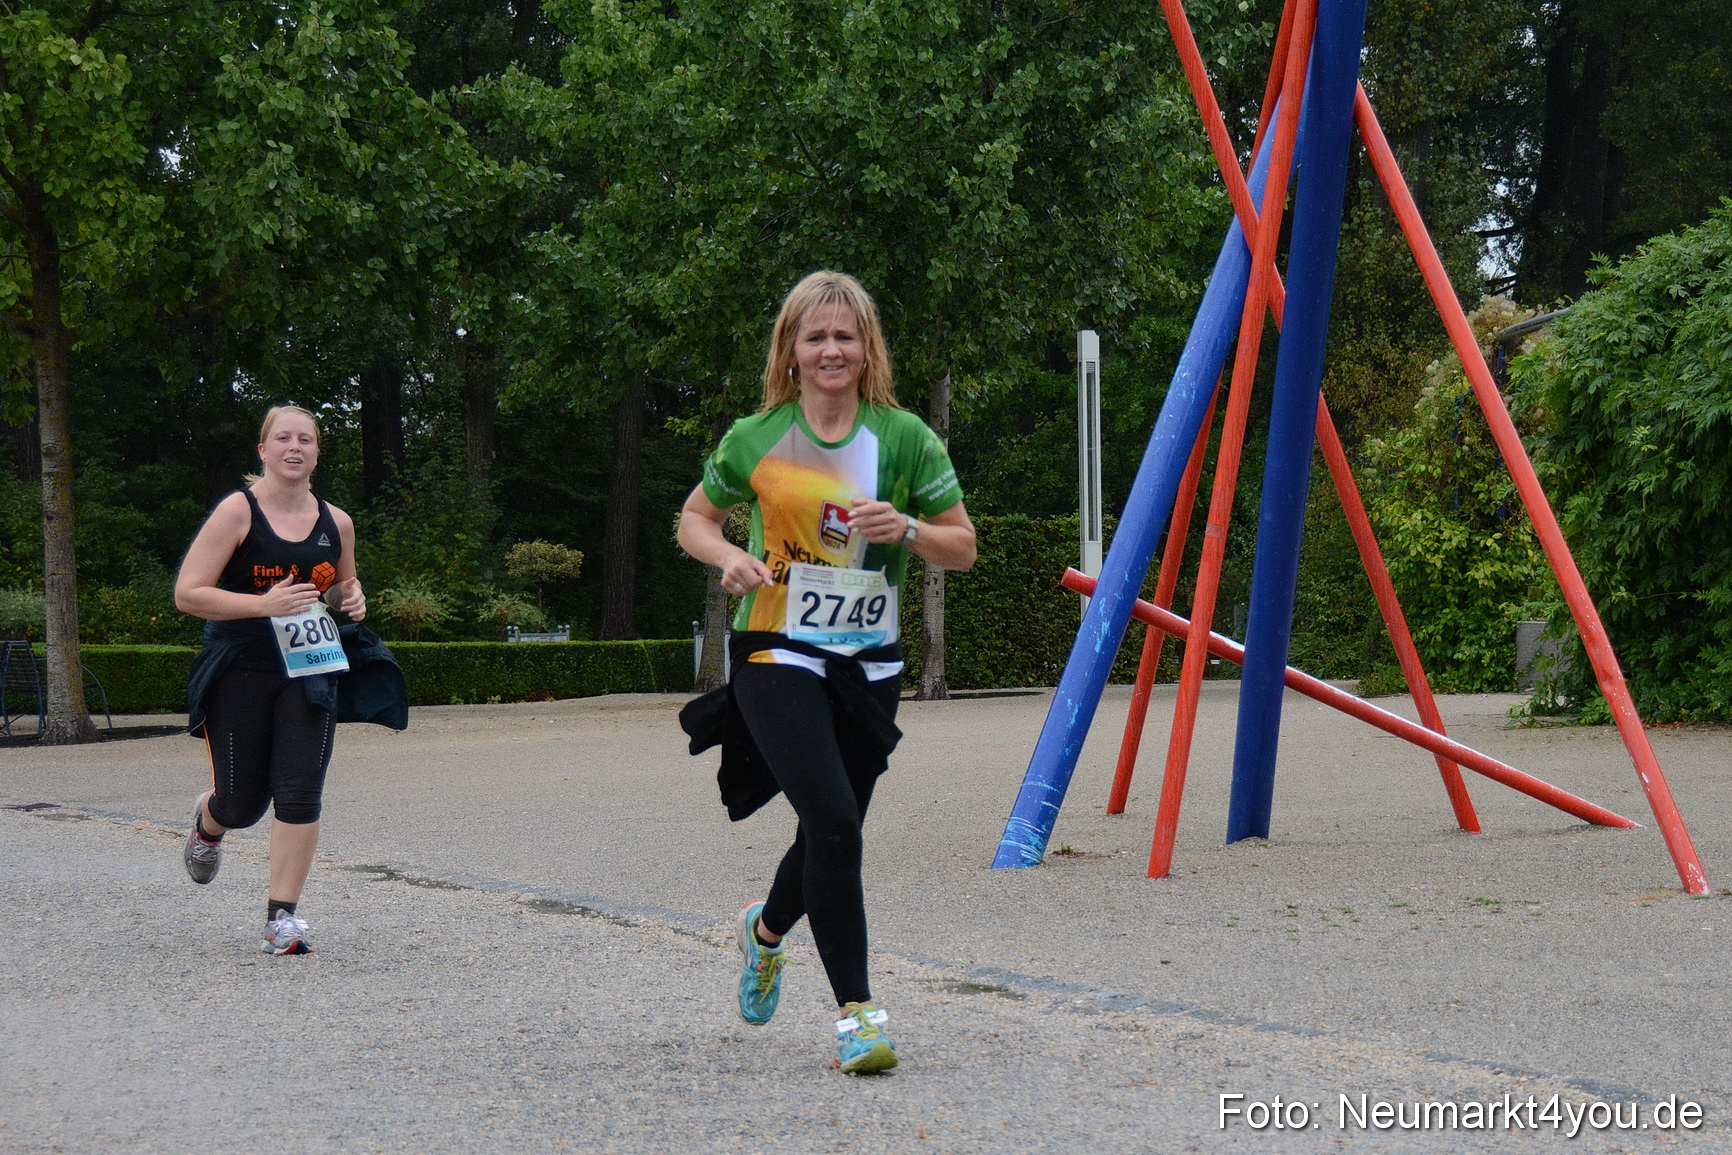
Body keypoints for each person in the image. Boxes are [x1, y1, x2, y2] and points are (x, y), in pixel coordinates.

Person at [677, 270, 976, 1073]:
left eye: (845, 335)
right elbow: (694, 517)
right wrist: (731, 555)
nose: (832, 349)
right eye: (817, 337)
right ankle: (858, 1015)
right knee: (839, 825)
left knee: (827, 829)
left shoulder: (907, 437)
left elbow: (964, 545)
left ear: (865, 347)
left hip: (867, 663)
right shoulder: (757, 436)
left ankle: (764, 931)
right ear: (793, 350)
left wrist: (909, 526)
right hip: (775, 648)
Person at [174, 404, 403, 955]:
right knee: (243, 803)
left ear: (317, 452)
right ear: (264, 450)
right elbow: (188, 593)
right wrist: (263, 604)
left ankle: (282, 919)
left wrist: (351, 597)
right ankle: (210, 822)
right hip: (242, 670)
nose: (294, 447)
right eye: (283, 439)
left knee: (300, 792)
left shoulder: (337, 522)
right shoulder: (238, 511)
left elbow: (338, 588)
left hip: (310, 670)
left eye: (306, 439)